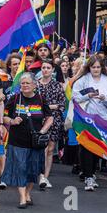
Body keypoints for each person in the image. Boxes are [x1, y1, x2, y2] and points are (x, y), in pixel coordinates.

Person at [2, 72, 53, 208]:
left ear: (34, 85)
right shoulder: (15, 98)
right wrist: (12, 121)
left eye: (27, 83)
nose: (24, 86)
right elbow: (4, 116)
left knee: (32, 170)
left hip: (35, 142)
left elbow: (50, 117)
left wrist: (43, 130)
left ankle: (28, 192)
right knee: (20, 169)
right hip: (17, 141)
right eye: (22, 83)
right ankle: (23, 198)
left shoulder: (41, 99)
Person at [72, 55, 107, 191]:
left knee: (98, 147)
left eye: (98, 67)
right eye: (93, 67)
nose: (96, 69)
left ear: (102, 67)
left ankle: (92, 172)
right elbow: (75, 97)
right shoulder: (83, 80)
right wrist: (88, 95)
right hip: (86, 118)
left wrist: (104, 98)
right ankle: (88, 176)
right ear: (89, 67)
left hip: (103, 119)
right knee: (86, 146)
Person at [37, 60, 65, 190]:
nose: (46, 70)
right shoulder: (36, 85)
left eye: (48, 68)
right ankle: (38, 174)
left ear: (53, 70)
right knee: (40, 148)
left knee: (50, 149)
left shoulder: (57, 86)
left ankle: (45, 177)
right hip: (39, 120)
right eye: (43, 67)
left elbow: (61, 105)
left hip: (54, 120)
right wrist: (48, 107)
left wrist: (46, 107)